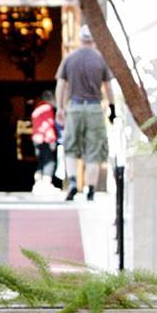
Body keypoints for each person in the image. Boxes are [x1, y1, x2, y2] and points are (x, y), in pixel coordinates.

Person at [56, 25, 116, 202]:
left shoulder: (70, 58)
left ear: (80, 39)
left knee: (71, 146)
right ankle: (90, 189)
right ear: (94, 39)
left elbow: (61, 84)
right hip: (94, 107)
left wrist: (60, 107)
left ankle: (73, 183)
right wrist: (112, 108)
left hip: (74, 106)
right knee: (94, 149)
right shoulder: (99, 59)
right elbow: (108, 87)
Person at [29, 90, 62, 191]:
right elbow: (48, 124)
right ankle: (46, 185)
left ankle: (38, 184)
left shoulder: (37, 108)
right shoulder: (47, 108)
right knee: (50, 162)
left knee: (41, 162)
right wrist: (52, 140)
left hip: (36, 139)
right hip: (45, 139)